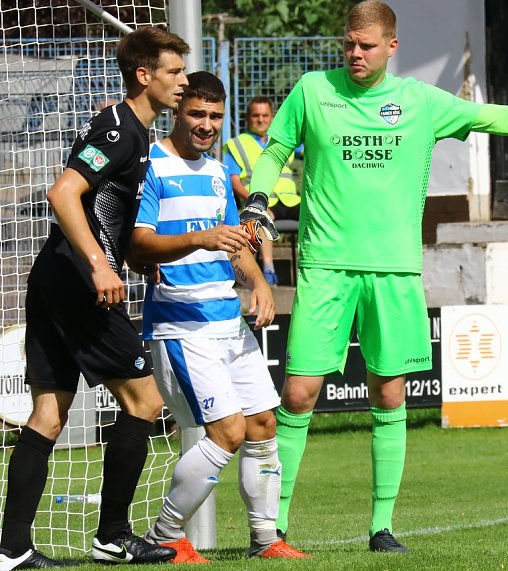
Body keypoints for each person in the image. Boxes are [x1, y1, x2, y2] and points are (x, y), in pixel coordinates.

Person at [236, 0, 508, 554]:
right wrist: (259, 198)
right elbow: (277, 150)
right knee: (300, 392)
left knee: (389, 393)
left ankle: (381, 528)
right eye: (349, 43)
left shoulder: (420, 101)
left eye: (366, 46)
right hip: (325, 263)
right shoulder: (313, 90)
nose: (355, 53)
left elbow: (494, 116)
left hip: (395, 269)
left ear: (392, 47)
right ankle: (273, 528)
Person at [0, 26, 189, 569]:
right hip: (78, 283)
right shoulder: (120, 129)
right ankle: (112, 536)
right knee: (145, 402)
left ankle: (11, 550)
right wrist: (100, 264)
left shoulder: (132, 132)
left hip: (56, 277)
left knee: (48, 414)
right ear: (144, 75)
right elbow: (63, 193)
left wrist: (129, 258)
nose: (182, 81)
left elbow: (102, 211)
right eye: (174, 72)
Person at [130, 71, 308, 562]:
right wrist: (199, 238)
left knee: (264, 424)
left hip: (229, 320)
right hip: (181, 324)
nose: (206, 124)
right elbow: (138, 244)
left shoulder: (216, 171)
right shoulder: (151, 165)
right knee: (227, 431)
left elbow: (234, 240)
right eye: (196, 114)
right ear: (176, 111)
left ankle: (265, 540)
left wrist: (257, 283)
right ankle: (166, 534)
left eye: (214, 116)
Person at [223, 96, 302, 286]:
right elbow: (234, 181)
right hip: (261, 202)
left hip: (290, 201)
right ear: (248, 118)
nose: (261, 120)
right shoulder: (237, 144)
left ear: (272, 118)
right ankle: (269, 269)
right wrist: (254, 202)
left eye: (265, 115)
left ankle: (310, 269)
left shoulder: (284, 140)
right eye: (256, 115)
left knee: (315, 215)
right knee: (262, 216)